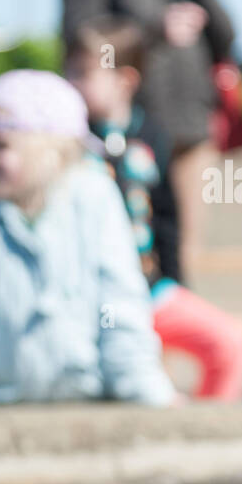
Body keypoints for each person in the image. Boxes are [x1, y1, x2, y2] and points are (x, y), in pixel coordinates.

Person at [0, 70, 176, 414]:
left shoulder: (94, 196)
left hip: (90, 392)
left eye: (0, 146)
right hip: (0, 400)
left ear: (50, 151)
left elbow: (119, 297)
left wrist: (141, 383)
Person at [62, 0, 235, 279]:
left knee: (180, 259)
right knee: (122, 254)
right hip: (128, 130)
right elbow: (81, 32)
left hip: (192, 131)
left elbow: (225, 38)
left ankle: (166, 341)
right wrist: (155, 29)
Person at [66, 20, 242, 400]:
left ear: (125, 80)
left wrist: (176, 283)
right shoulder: (69, 143)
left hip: (150, 289)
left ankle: (200, 438)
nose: (72, 82)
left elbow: (167, 217)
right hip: (92, 299)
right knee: (137, 384)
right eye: (70, 71)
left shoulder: (152, 136)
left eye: (84, 72)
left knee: (231, 346)